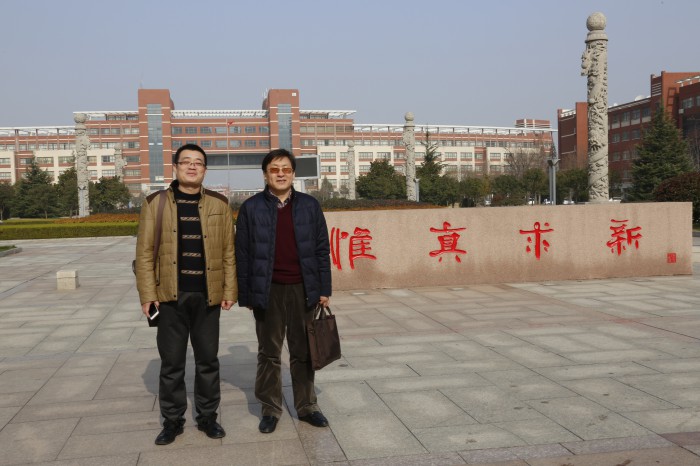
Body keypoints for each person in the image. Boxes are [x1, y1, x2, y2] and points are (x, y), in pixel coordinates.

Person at [135, 143, 237, 445]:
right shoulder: (155, 203)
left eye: (198, 163)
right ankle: (172, 421)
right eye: (186, 162)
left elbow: (229, 252)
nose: (192, 167)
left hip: (207, 297)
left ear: (204, 170)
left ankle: (208, 417)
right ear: (176, 167)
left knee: (208, 360)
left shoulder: (219, 203)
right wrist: (147, 294)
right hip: (169, 297)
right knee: (172, 363)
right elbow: (144, 253)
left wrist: (229, 290)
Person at [235, 148, 332, 434]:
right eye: (274, 169)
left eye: (286, 169)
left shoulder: (309, 206)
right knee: (269, 353)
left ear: (293, 174)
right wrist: (247, 294)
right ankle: (270, 408)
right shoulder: (251, 208)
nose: (280, 174)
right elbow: (243, 254)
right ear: (265, 174)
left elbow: (321, 250)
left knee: (304, 351)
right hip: (268, 290)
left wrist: (324, 288)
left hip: (304, 289)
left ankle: (307, 406)